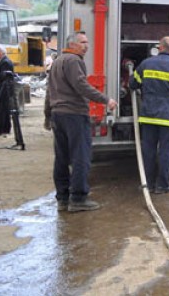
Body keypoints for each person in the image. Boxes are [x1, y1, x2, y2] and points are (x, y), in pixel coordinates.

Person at [45, 32, 117, 212]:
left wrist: (48, 115)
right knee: (80, 156)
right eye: (83, 42)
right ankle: (78, 198)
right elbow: (81, 85)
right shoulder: (74, 61)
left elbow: (49, 91)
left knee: (61, 158)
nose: (86, 46)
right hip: (74, 115)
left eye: (87, 42)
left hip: (58, 114)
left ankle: (62, 198)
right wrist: (105, 99)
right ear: (73, 45)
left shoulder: (58, 62)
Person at [130, 36, 169, 194]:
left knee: (148, 151)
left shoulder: (146, 64)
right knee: (165, 151)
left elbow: (133, 83)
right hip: (167, 118)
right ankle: (162, 185)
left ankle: (148, 184)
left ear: (160, 48)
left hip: (147, 116)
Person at [0, 46, 15, 136]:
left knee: (1, 110)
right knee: (3, 110)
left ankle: (0, 129)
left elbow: (3, 77)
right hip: (1, 90)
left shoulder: (5, 62)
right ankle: (3, 129)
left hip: (2, 90)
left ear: (1, 53)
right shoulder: (4, 61)